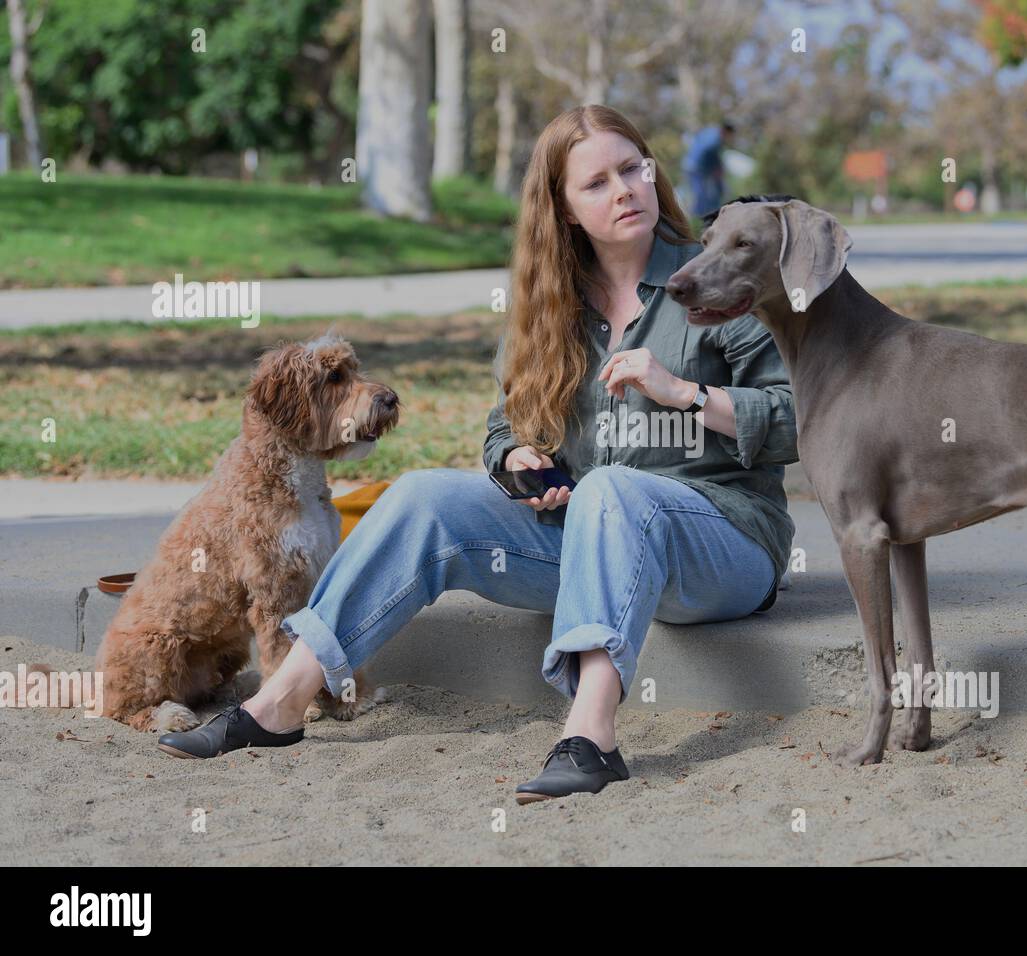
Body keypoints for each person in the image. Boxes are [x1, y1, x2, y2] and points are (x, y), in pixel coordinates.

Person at [157, 104, 798, 804]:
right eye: (596, 182)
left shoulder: (724, 278)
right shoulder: (550, 309)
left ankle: (591, 736)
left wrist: (684, 392)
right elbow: (504, 429)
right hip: (589, 543)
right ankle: (279, 704)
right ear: (564, 209)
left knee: (613, 490)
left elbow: (799, 420)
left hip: (724, 543)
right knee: (424, 495)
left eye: (633, 169)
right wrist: (518, 462)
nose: (623, 190)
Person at [683, 121, 734, 218]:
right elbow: (708, 155)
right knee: (701, 195)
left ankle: (699, 215)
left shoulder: (710, 130)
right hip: (697, 168)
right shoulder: (715, 142)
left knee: (699, 193)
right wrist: (716, 169)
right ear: (726, 132)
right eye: (730, 136)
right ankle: (697, 217)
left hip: (689, 162)